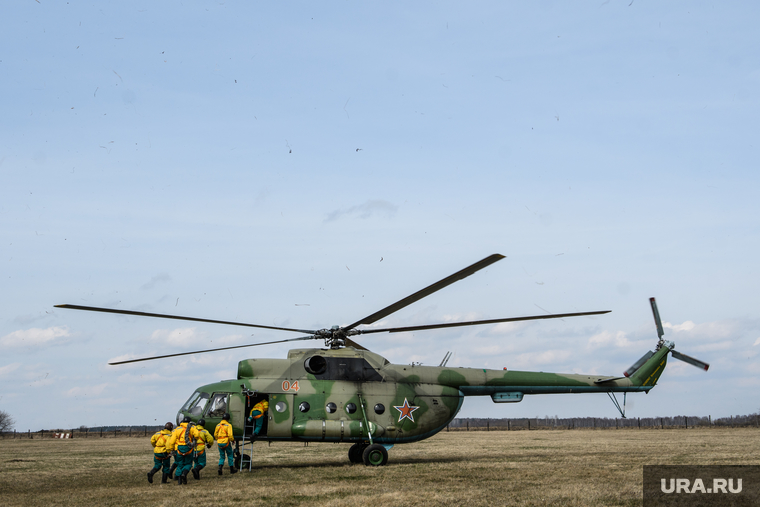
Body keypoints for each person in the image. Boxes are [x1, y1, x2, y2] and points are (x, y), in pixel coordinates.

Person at [167, 416, 200, 485]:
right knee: (188, 463)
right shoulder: (192, 427)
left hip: (179, 448)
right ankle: (184, 474)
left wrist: (172, 449)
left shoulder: (177, 429)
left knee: (179, 464)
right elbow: (197, 435)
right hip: (188, 448)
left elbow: (172, 441)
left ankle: (179, 480)